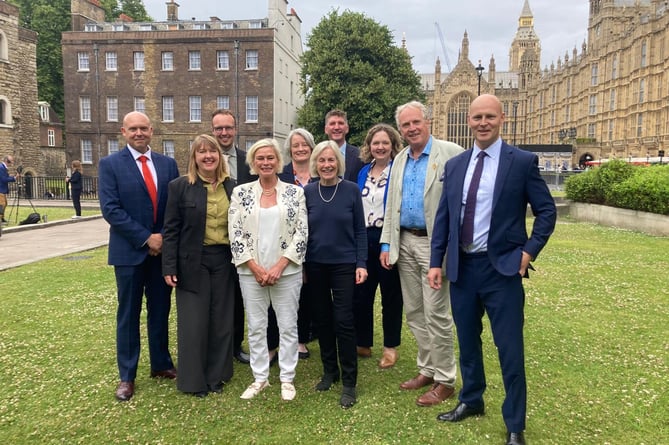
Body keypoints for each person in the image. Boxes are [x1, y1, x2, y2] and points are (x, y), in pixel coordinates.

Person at [427, 94, 557, 445]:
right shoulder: (456, 165)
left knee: (509, 348)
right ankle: (472, 399)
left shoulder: (522, 162)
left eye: (489, 117)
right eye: (476, 117)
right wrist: (436, 261)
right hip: (463, 269)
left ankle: (515, 424)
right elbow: (445, 218)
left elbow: (547, 211)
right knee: (468, 342)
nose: (482, 123)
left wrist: (529, 251)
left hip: (502, 271)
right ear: (468, 120)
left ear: (501, 119)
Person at [379, 101, 463, 407]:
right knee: (414, 311)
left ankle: (446, 379)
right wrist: (387, 243)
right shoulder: (400, 158)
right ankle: (427, 369)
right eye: (405, 125)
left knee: (437, 313)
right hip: (405, 242)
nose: (411, 128)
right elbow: (392, 204)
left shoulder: (451, 153)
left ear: (427, 121)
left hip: (433, 245)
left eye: (416, 122)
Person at [99, 111, 180, 402]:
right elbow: (111, 209)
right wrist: (147, 238)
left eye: (143, 128)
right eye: (133, 129)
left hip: (161, 255)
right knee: (129, 314)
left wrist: (162, 239)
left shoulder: (168, 165)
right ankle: (127, 375)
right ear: (123, 131)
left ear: (151, 130)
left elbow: (174, 207)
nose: (139, 133)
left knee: (160, 311)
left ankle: (160, 364)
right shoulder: (110, 165)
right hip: (129, 253)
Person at [229, 138, 308, 401]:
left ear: (278, 161)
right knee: (256, 326)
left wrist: (279, 266)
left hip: (286, 272)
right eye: (260, 158)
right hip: (251, 273)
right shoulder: (240, 193)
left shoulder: (294, 193)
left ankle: (287, 378)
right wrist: (254, 267)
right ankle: (260, 378)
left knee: (287, 326)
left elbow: (301, 233)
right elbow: (235, 233)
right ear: (253, 162)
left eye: (270, 158)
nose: (265, 162)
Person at [162, 134, 236, 397]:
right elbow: (170, 230)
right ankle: (194, 382)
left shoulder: (233, 187)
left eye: (212, 152)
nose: (208, 156)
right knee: (194, 324)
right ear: (194, 158)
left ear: (220, 156)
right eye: (201, 152)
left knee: (221, 321)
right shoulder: (180, 187)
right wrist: (169, 266)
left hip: (225, 262)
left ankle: (217, 376)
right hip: (192, 262)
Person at [304, 140, 367, 409]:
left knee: (343, 320)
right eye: (322, 160)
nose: (327, 165)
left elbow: (360, 230)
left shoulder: (351, 190)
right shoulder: (307, 192)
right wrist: (303, 265)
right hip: (315, 264)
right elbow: (301, 232)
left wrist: (361, 263)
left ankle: (349, 381)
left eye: (331, 160)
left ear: (338, 164)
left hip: (344, 264)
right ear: (315, 164)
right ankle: (330, 371)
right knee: (322, 319)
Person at [211, 109, 262, 365]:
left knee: (241, 296)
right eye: (219, 128)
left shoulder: (247, 161)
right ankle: (217, 344)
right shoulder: (205, 159)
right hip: (215, 241)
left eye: (228, 127)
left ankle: (235, 345)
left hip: (245, 241)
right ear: (213, 131)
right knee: (218, 297)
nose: (224, 133)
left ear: (236, 128)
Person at [354, 124, 404, 368]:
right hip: (363, 238)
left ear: (393, 146)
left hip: (388, 239)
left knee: (391, 295)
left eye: (385, 143)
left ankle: (390, 347)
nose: (380, 147)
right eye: (376, 143)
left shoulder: (398, 171)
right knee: (362, 292)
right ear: (369, 146)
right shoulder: (363, 171)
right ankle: (363, 342)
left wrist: (388, 243)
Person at [277, 128, 318, 360]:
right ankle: (283, 338)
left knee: (308, 294)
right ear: (289, 150)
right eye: (296, 145)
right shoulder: (280, 174)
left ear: (311, 147)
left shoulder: (320, 172)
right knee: (285, 294)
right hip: (285, 244)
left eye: (304, 144)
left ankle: (302, 339)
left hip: (315, 244)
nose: (300, 149)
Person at [324, 110, 364, 182]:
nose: (336, 127)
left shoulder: (359, 155)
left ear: (347, 128)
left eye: (341, 123)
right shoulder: (318, 155)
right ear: (326, 129)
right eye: (332, 124)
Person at [0, 155, 17, 224]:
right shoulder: (1, 167)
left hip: (2, 189)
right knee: (2, 204)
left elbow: (5, 177)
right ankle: (0, 219)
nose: (12, 162)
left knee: (4, 203)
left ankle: (2, 218)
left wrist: (14, 177)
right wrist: (14, 178)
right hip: (0, 189)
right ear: (7, 160)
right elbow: (4, 179)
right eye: (11, 160)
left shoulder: (3, 167)